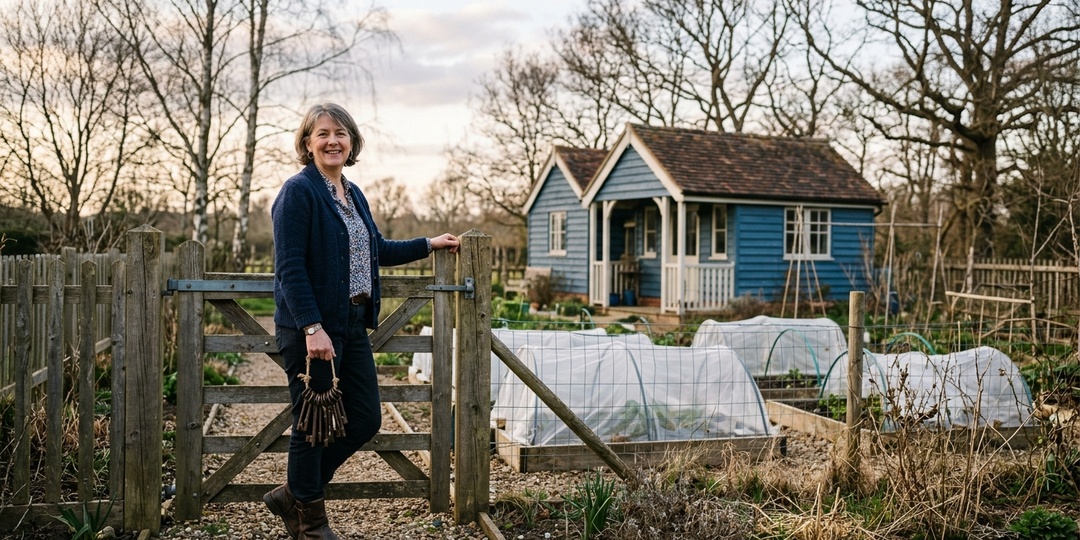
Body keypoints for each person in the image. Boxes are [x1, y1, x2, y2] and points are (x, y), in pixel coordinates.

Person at [265, 102, 459, 540]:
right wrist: (312, 328)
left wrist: (429, 243)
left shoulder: (352, 195)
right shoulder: (298, 192)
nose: (332, 141)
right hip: (309, 330)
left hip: (351, 324)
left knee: (367, 418)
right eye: (323, 133)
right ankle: (311, 522)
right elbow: (290, 267)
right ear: (307, 143)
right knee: (311, 423)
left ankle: (296, 493)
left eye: (341, 133)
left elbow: (376, 250)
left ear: (352, 143)